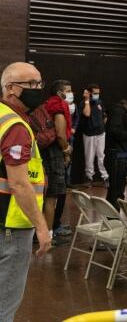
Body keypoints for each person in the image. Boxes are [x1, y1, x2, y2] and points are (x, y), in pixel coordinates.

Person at [0, 62, 52, 320]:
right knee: (5, 302)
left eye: (39, 83)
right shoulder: (15, 127)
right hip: (12, 224)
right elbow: (19, 183)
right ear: (10, 89)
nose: (37, 89)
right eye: (31, 84)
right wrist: (42, 228)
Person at [42, 80, 73, 242]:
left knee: (46, 195)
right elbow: (60, 134)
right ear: (60, 92)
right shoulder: (58, 106)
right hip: (54, 152)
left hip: (46, 152)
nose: (71, 93)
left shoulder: (47, 103)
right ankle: (48, 235)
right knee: (52, 196)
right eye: (68, 90)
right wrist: (66, 150)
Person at [104, 99, 127, 209]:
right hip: (118, 155)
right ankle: (113, 219)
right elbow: (114, 130)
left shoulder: (114, 112)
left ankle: (110, 217)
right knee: (117, 190)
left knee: (114, 189)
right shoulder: (119, 112)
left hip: (114, 154)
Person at [81, 83, 108, 186]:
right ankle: (89, 178)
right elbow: (87, 114)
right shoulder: (83, 103)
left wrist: (103, 125)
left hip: (101, 133)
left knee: (102, 156)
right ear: (89, 93)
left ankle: (105, 177)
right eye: (95, 93)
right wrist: (87, 100)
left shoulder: (100, 102)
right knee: (89, 157)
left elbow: (104, 115)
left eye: (98, 93)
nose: (97, 95)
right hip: (89, 134)